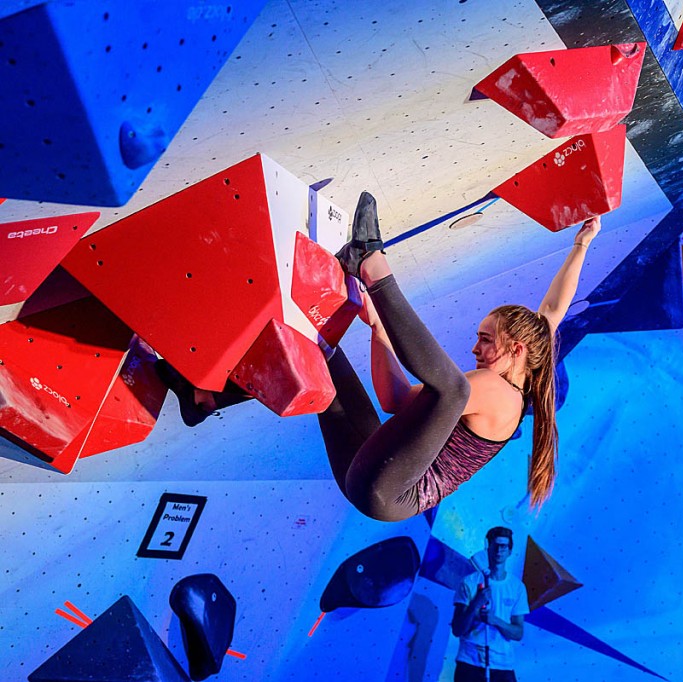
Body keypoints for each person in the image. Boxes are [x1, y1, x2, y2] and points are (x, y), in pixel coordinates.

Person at [158, 191, 600, 522]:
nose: (475, 348)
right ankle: (205, 399)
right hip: (375, 472)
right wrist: (581, 245)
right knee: (318, 354)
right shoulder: (506, 374)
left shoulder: (502, 397)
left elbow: (444, 388)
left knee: (452, 387)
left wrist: (381, 310)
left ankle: (373, 263)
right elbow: (395, 399)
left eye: (486, 340)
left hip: (390, 489)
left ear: (517, 350)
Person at [450, 526, 528, 682]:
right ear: (488, 548)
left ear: (510, 551)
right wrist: (475, 604)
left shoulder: (517, 587)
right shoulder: (469, 582)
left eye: (504, 546)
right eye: (495, 545)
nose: (499, 550)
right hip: (470, 662)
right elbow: (458, 629)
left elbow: (518, 633)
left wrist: (496, 621)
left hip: (502, 665)